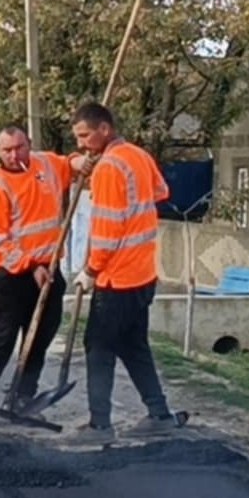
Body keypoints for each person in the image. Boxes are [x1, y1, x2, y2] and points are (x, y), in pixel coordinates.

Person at [69, 101, 184, 444]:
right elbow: (162, 192)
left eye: (85, 135)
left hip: (116, 277)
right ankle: (159, 414)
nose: (80, 144)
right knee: (134, 345)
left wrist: (90, 270)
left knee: (98, 346)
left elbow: (106, 232)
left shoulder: (108, 169)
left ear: (104, 129)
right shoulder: (137, 155)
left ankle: (99, 425)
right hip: (143, 274)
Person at [0, 126, 73, 411]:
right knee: (3, 335)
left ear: (29, 144)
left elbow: (71, 166)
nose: (13, 154)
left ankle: (22, 395)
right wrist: (30, 267)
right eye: (7, 150)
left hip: (50, 269)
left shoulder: (46, 164)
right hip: (14, 275)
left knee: (40, 337)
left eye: (19, 147)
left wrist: (85, 161)